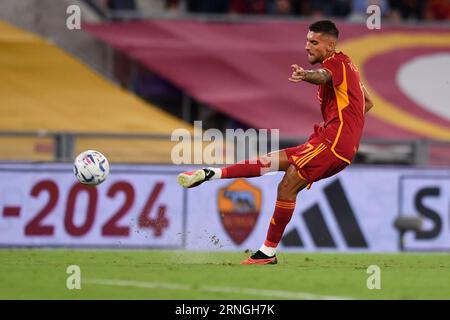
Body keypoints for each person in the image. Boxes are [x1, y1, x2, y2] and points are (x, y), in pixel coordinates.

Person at [177, 20, 374, 265]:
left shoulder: (335, 64)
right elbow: (367, 102)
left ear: (330, 45)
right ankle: (210, 173)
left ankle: (267, 252)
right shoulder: (349, 68)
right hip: (331, 139)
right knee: (268, 162)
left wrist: (306, 76)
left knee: (287, 185)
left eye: (314, 42)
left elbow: (322, 75)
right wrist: (351, 129)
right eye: (307, 41)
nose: (307, 47)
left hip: (333, 142)